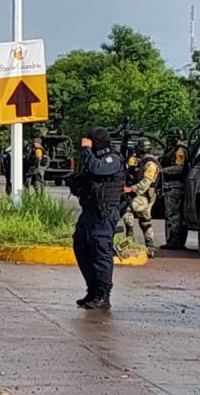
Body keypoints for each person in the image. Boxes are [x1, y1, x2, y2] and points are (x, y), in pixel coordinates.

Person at [70, 127, 125, 310]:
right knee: (81, 246)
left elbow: (98, 169)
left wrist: (86, 151)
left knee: (101, 251)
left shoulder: (112, 159)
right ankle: (92, 290)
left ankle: (103, 294)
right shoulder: (91, 158)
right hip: (90, 211)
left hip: (104, 213)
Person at [122, 138, 161, 258]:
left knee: (127, 210)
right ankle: (150, 247)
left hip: (144, 196)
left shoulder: (150, 164)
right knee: (145, 222)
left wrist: (131, 189)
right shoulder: (140, 161)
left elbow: (146, 183)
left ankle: (130, 240)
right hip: (141, 195)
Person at [160, 130, 190, 250]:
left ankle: (175, 240)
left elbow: (179, 168)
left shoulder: (180, 151)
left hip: (175, 185)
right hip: (172, 185)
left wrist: (162, 170)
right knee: (172, 213)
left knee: (173, 214)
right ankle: (174, 239)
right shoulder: (175, 150)